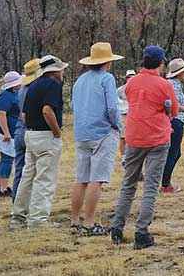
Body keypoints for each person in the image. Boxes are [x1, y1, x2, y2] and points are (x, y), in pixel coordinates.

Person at [109, 45, 178, 249]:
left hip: (134, 137)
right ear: (161, 63)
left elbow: (130, 99)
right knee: (150, 186)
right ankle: (141, 232)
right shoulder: (164, 84)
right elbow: (173, 110)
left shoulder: (131, 83)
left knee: (128, 184)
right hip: (157, 138)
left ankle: (117, 228)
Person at [68, 43, 124, 236]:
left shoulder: (80, 80)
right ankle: (90, 223)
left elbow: (73, 105)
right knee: (96, 179)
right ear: (108, 62)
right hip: (102, 133)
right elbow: (112, 108)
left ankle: (75, 220)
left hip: (81, 133)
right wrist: (117, 126)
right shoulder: (107, 78)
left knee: (81, 178)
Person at [10, 55, 68, 229]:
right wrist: (57, 132)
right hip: (45, 135)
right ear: (55, 71)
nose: (63, 72)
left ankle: (18, 217)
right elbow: (47, 110)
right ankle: (38, 220)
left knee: (27, 177)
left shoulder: (32, 85)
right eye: (61, 69)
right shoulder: (53, 85)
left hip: (30, 134)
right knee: (45, 179)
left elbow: (24, 114)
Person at [162, 58, 184, 193]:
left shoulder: (176, 84)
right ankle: (165, 183)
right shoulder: (173, 85)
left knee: (175, 153)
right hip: (174, 121)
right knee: (173, 153)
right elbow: (171, 104)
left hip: (176, 120)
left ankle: (165, 181)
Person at [0, 71, 23, 197]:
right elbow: (1, 115)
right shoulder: (5, 96)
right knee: (8, 159)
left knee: (5, 159)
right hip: (7, 132)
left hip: (12, 131)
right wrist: (6, 133)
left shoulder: (14, 94)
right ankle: (4, 189)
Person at [12, 58, 41, 199]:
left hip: (19, 131)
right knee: (33, 172)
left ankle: (16, 201)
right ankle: (27, 203)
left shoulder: (22, 89)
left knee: (20, 170)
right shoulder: (36, 90)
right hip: (31, 131)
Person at [119, 69, 136, 159]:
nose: (131, 78)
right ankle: (123, 156)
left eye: (133, 77)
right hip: (124, 115)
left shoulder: (138, 88)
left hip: (134, 115)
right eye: (129, 77)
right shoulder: (120, 90)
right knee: (123, 137)